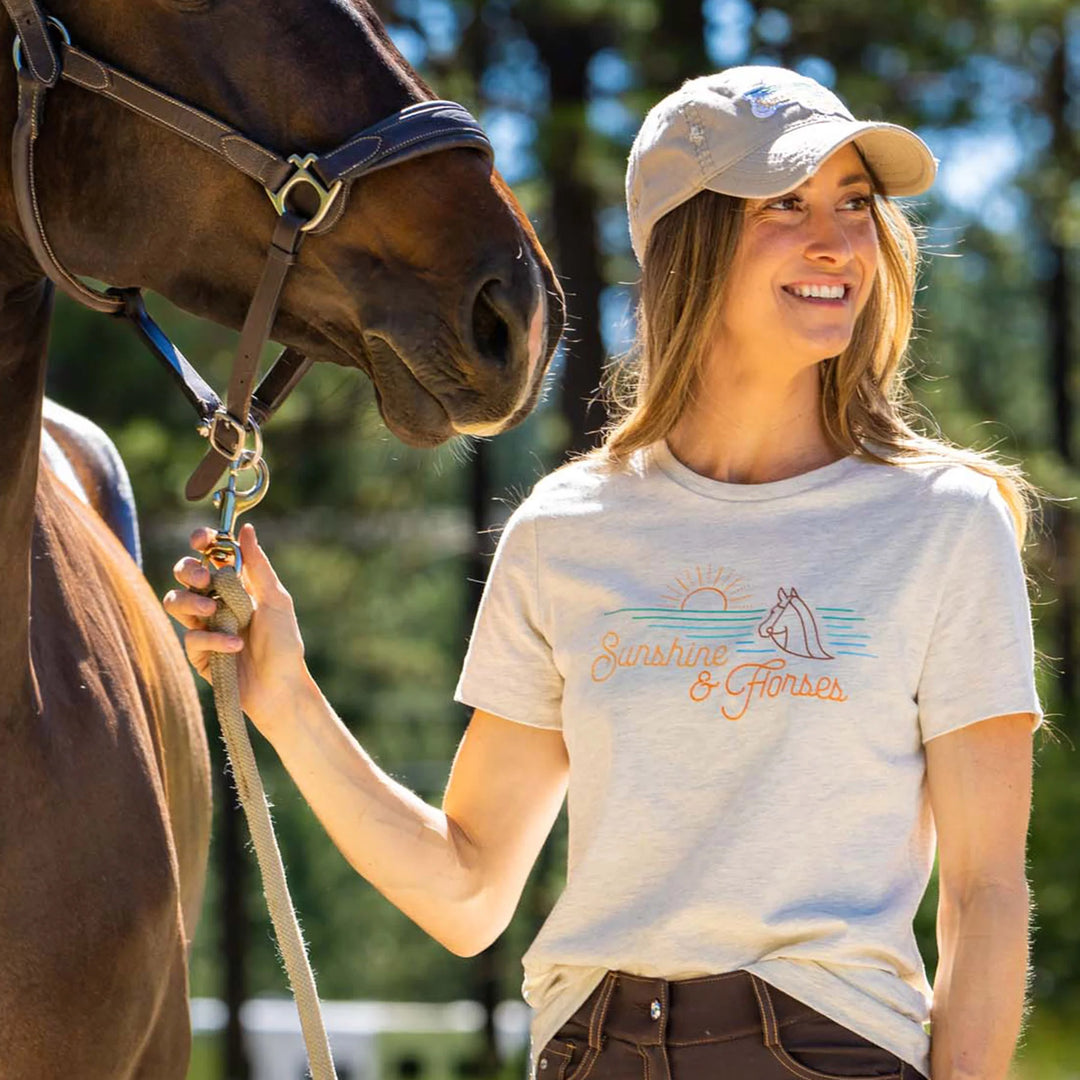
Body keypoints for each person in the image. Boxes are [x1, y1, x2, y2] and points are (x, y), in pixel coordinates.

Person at [165, 66, 1046, 1080]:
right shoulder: (567, 530)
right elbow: (467, 890)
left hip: (825, 1049)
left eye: (855, 205)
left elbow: (986, 895)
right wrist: (285, 695)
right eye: (786, 205)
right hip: (587, 1048)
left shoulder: (940, 522)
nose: (836, 242)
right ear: (690, 243)